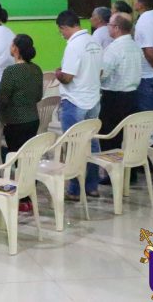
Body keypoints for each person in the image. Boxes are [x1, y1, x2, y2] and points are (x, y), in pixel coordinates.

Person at [54, 10, 103, 200]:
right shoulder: (94, 42)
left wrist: (58, 73)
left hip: (75, 102)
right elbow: (100, 72)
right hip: (93, 100)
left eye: (61, 31)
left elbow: (67, 77)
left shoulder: (74, 45)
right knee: (92, 143)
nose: (61, 34)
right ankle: (92, 186)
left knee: (74, 145)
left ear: (64, 27)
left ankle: (74, 190)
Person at [99, 13, 142, 151]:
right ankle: (127, 164)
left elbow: (103, 74)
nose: (107, 27)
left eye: (109, 25)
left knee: (110, 137)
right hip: (133, 96)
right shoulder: (135, 46)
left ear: (116, 28)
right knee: (127, 136)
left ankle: (109, 164)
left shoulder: (115, 48)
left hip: (114, 98)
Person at [0, 34, 44, 153]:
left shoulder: (11, 71)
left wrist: (2, 117)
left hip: (14, 121)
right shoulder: (36, 69)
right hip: (33, 119)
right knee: (27, 156)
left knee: (15, 155)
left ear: (15, 48)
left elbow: (2, 99)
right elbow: (38, 96)